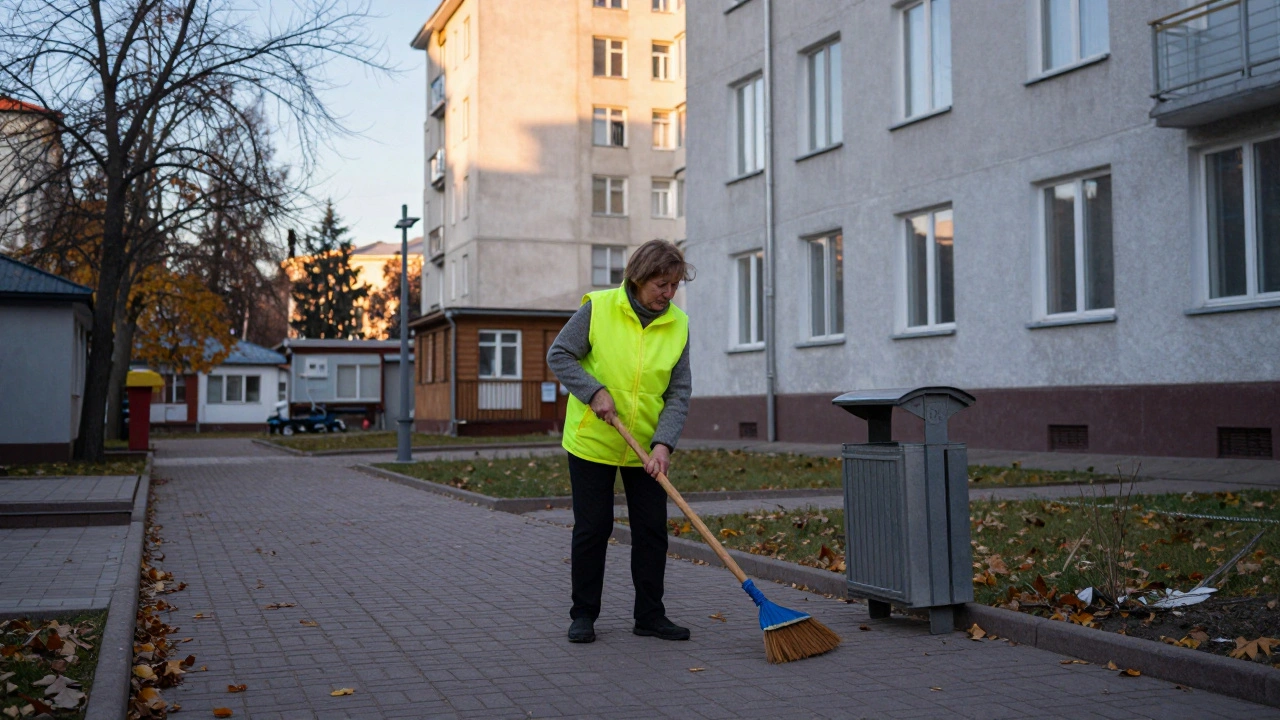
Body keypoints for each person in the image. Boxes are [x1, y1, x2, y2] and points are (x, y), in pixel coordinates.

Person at [547, 239, 694, 644]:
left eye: (674, 286)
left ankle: (650, 615)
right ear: (639, 277)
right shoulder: (599, 308)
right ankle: (583, 615)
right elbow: (560, 355)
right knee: (594, 527)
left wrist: (663, 444)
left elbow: (679, 392)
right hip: (593, 439)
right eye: (661, 285)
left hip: (645, 446)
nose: (668, 294)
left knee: (652, 530)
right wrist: (593, 391)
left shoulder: (678, 323)